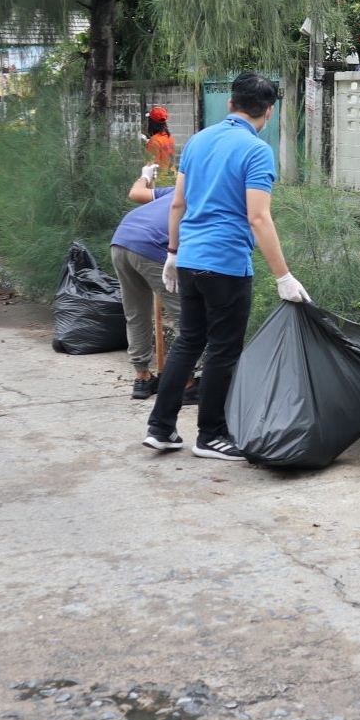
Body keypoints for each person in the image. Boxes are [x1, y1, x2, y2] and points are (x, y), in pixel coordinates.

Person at [142, 71, 311, 461]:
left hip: (189, 260)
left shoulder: (199, 140)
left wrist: (171, 253)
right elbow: (259, 218)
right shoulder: (256, 151)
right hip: (226, 264)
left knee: (189, 341)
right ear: (268, 113)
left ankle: (161, 428)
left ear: (230, 104)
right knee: (222, 350)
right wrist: (283, 277)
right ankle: (211, 435)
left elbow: (179, 204)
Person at [111, 163, 186, 400]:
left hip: (121, 240)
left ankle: (142, 378)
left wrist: (144, 177)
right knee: (186, 314)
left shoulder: (176, 190)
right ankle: (187, 381)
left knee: (135, 312)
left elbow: (137, 193)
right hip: (152, 247)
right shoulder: (207, 196)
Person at [145, 106, 175, 173]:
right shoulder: (169, 137)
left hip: (160, 180)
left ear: (151, 123)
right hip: (171, 176)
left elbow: (151, 166)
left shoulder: (154, 141)